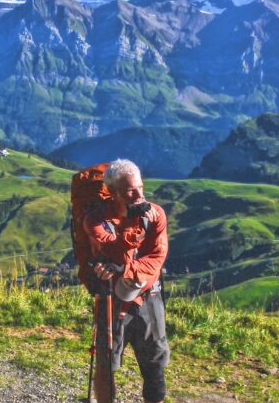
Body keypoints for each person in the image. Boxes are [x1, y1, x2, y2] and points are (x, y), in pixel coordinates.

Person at [86, 158, 169, 403]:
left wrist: (125, 270)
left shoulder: (155, 214)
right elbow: (114, 252)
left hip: (148, 295)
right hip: (110, 298)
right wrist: (131, 228)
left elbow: (157, 257)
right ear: (112, 192)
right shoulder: (94, 221)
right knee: (105, 364)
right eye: (130, 190)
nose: (138, 195)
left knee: (155, 363)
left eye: (140, 188)